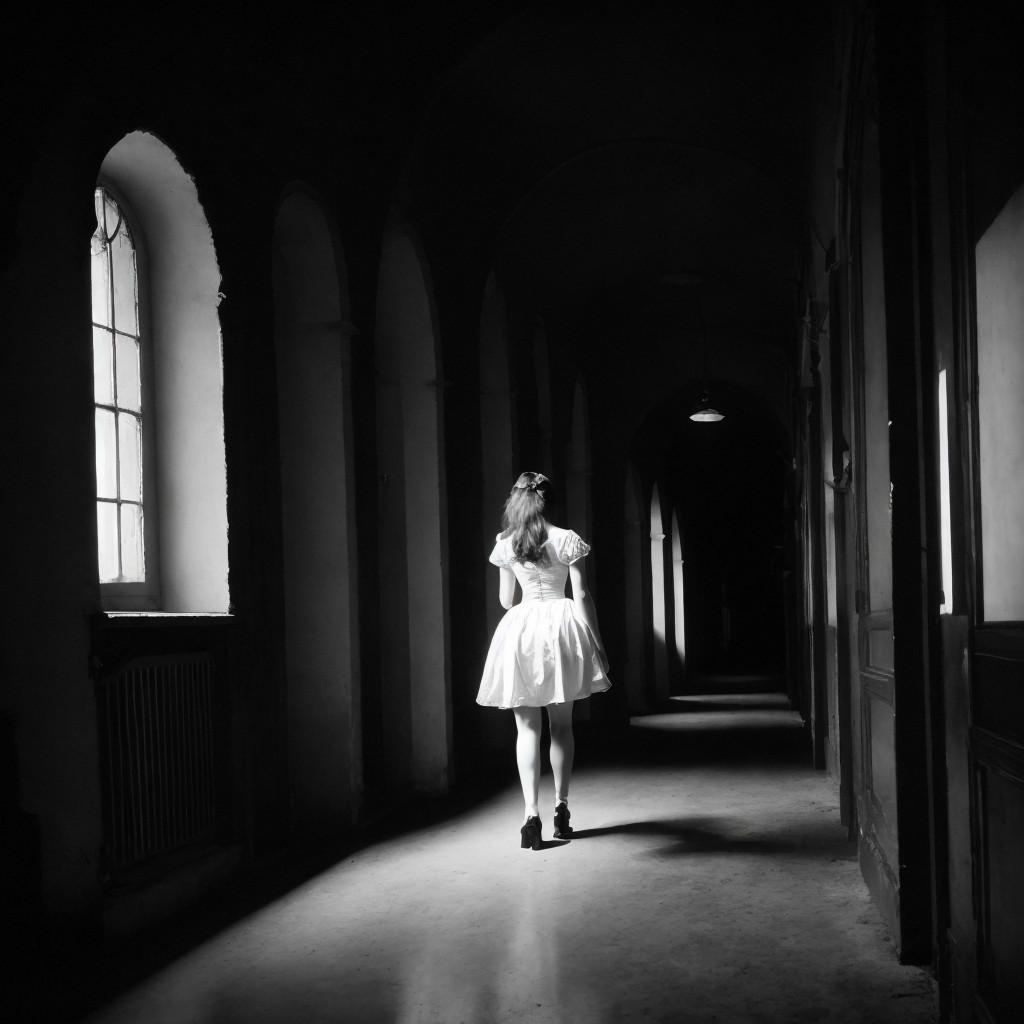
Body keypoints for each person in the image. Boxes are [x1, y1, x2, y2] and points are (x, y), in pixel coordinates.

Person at [477, 471, 610, 850]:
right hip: (559, 629)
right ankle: (561, 807)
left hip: (522, 629)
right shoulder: (566, 539)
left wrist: (521, 578)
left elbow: (506, 601)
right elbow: (581, 595)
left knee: (527, 729)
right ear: (550, 501)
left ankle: (529, 816)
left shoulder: (506, 542)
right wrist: (596, 641)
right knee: (562, 726)